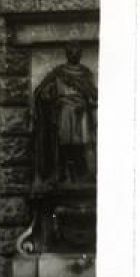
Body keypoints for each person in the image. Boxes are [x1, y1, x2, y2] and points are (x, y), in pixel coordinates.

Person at [33, 42, 98, 185]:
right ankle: (61, 173)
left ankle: (82, 173)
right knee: (63, 142)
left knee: (80, 144)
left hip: (81, 112)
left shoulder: (85, 73)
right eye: (71, 51)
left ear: (80, 54)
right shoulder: (59, 72)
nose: (74, 54)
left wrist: (87, 102)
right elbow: (42, 92)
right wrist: (48, 96)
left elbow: (93, 95)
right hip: (63, 111)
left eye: (77, 51)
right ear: (67, 54)